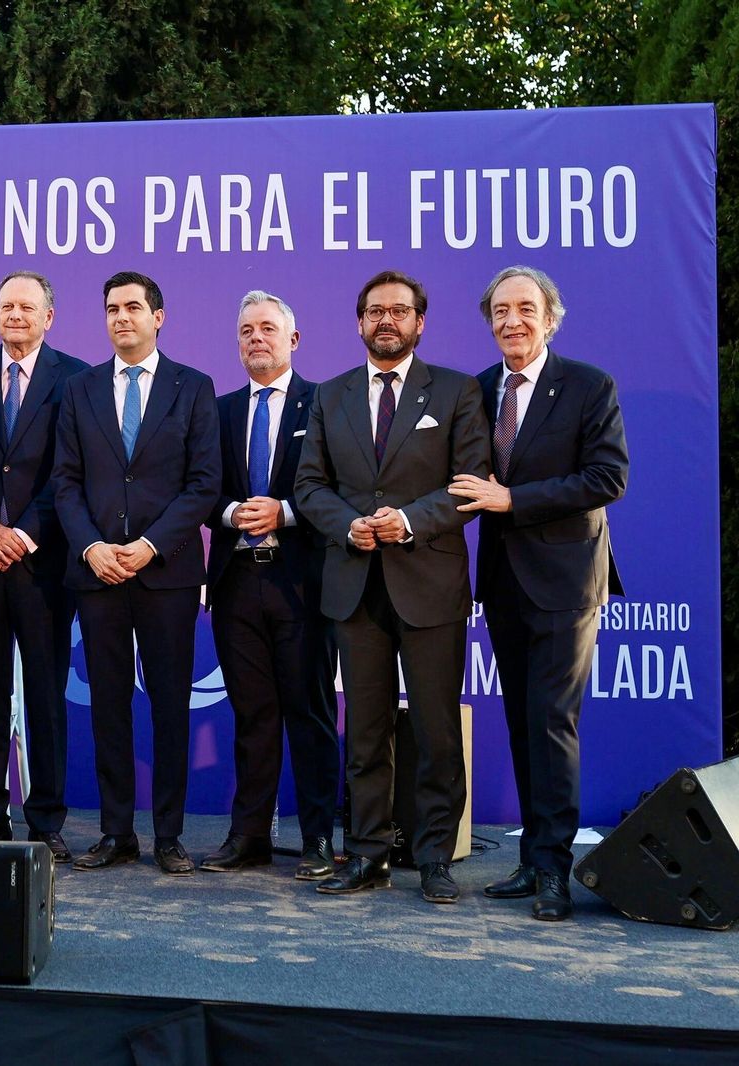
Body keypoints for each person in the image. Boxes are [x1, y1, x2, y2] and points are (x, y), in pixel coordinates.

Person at [294, 270, 490, 904]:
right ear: (359, 322)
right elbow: (309, 486)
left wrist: (406, 521)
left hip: (428, 583)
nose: (387, 320)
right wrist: (347, 525)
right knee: (365, 731)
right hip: (354, 585)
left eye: (399, 311)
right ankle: (367, 854)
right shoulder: (331, 395)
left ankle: (434, 858)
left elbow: (469, 484)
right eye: (375, 311)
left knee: (436, 730)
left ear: (419, 323)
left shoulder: (457, 391)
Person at [448, 266, 627, 921]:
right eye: (500, 311)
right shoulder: (477, 389)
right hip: (503, 582)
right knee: (524, 722)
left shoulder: (588, 386)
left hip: (566, 581)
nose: (512, 321)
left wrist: (512, 499)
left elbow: (607, 478)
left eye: (525, 308)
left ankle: (554, 870)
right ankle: (530, 860)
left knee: (552, 723)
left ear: (550, 318)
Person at [51, 271, 220, 875]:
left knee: (171, 705)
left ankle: (169, 835)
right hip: (98, 574)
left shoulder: (193, 387)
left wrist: (150, 545)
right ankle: (116, 832)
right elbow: (65, 481)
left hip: (167, 573)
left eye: (132, 307)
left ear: (158, 317)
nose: (121, 317)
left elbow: (204, 483)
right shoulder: (80, 389)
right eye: (111, 309)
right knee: (108, 707)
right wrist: (91, 547)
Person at [0, 271, 89, 861]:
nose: (15, 315)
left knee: (46, 695)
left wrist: (23, 534)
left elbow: (71, 470)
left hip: (43, 561)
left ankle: (46, 818)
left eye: (27, 307)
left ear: (48, 317)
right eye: (7, 305)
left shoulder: (76, 376)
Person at [199, 291, 340, 880]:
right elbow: (201, 488)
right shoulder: (220, 410)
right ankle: (249, 835)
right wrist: (231, 513)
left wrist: (285, 512)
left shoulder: (326, 404)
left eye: (267, 329)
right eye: (246, 331)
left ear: (293, 339)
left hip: (302, 584)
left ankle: (318, 839)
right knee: (252, 715)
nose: (256, 338)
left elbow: (340, 488)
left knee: (309, 714)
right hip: (236, 584)